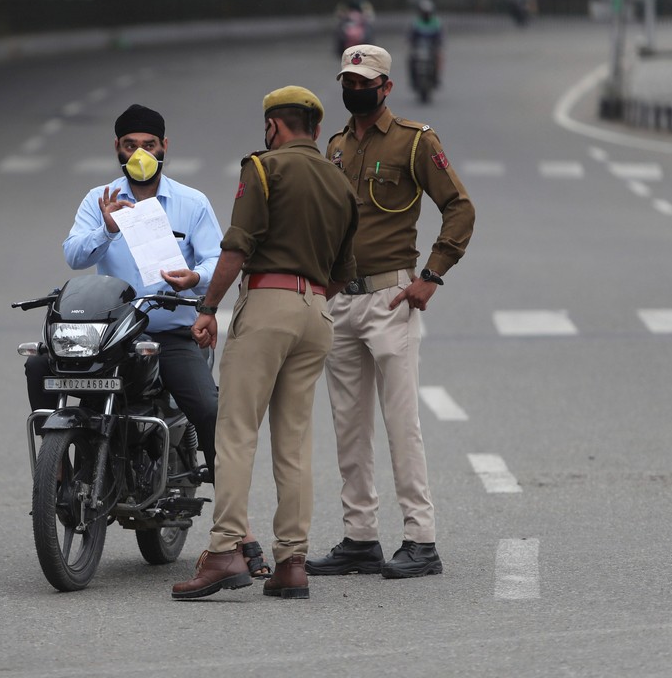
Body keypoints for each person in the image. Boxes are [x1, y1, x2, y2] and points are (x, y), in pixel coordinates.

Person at [25, 103, 272, 578]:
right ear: (116, 149)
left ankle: (240, 531)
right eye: (130, 145)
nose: (140, 153)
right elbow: (75, 256)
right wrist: (107, 227)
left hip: (170, 331)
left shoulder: (191, 202)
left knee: (209, 410)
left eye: (149, 145)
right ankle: (56, 476)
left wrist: (193, 280)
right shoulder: (99, 199)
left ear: (165, 148)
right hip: (110, 334)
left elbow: (215, 261)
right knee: (39, 366)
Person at [171, 87, 359, 601]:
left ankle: (225, 550)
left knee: (236, 431)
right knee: (294, 442)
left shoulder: (263, 168)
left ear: (274, 126)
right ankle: (292, 562)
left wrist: (208, 307)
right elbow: (346, 270)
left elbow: (238, 245)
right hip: (318, 312)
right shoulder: (340, 182)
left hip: (269, 305)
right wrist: (310, 297)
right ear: (317, 130)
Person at [307, 45, 475, 580]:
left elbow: (460, 206)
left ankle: (420, 539)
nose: (353, 88)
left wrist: (432, 276)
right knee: (347, 426)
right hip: (341, 299)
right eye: (347, 79)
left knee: (402, 423)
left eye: (364, 81)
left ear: (386, 86)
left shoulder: (415, 141)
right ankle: (360, 538)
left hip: (391, 297)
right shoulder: (332, 148)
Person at [408, 0, 444, 85]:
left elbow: (441, 37)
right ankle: (413, 78)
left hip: (432, 48)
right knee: (410, 59)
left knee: (439, 56)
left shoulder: (436, 22)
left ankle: (437, 76)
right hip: (419, 48)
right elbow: (410, 36)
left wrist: (438, 45)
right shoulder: (416, 23)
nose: (426, 15)